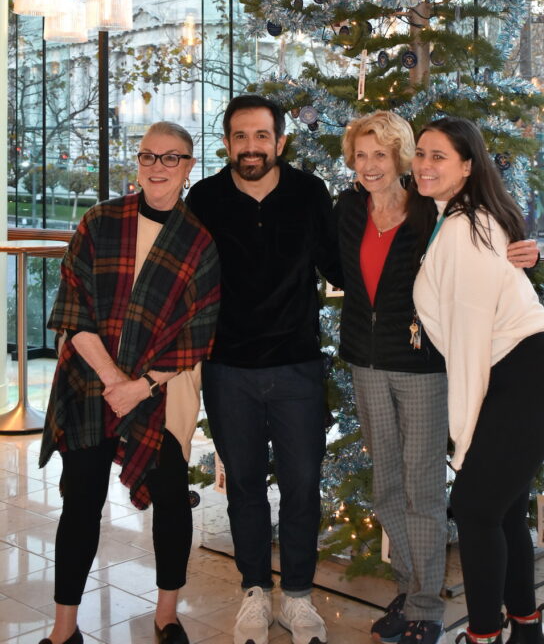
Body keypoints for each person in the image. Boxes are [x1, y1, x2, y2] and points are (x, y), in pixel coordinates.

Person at [335, 112, 541, 644]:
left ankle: (428, 605)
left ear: (401, 158)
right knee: (387, 488)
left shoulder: (432, 209)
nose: (370, 165)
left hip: (423, 366)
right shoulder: (347, 210)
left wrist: (531, 254)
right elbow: (336, 272)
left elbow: (493, 257)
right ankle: (410, 588)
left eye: (382, 154)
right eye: (361, 155)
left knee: (422, 490)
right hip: (366, 359)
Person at [38, 121, 221, 644]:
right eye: (148, 156)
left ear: (188, 167)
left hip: (162, 393)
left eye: (171, 158)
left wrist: (140, 387)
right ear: (137, 163)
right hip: (90, 384)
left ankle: (166, 615)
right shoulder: (100, 222)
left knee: (169, 496)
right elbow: (74, 311)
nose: (157, 167)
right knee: (80, 502)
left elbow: (200, 328)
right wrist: (115, 381)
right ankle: (63, 628)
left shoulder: (198, 242)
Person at [412, 118, 544, 644]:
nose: (423, 165)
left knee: (477, 508)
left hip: (525, 371)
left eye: (439, 156)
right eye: (419, 153)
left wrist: (463, 433)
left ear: (467, 165)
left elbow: (469, 338)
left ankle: (483, 634)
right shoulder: (457, 218)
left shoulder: (464, 225)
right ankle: (525, 629)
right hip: (522, 371)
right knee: (500, 508)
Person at [186, 95, 343, 644]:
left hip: (298, 367)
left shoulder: (308, 193)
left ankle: (298, 596)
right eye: (240, 136)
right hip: (227, 369)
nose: (250, 147)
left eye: (261, 136)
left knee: (303, 485)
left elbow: (340, 265)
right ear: (226, 142)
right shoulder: (204, 197)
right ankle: (255, 591)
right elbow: (181, 276)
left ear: (280, 141)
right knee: (245, 487)